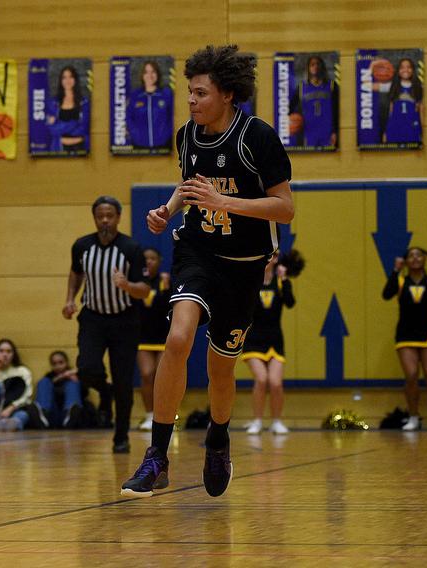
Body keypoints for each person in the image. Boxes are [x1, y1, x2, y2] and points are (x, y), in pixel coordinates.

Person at [121, 45, 294, 499]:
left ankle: (218, 439)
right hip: (196, 251)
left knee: (221, 368)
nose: (192, 101)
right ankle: (157, 455)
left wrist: (224, 202)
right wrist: (168, 207)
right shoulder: (187, 136)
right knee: (177, 339)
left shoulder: (257, 137)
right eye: (190, 92)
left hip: (243, 265)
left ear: (228, 94)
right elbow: (190, 185)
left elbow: (286, 208)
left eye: (200, 93)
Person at [64, 196, 149, 453]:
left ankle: (121, 436)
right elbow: (76, 273)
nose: (105, 220)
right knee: (87, 368)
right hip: (93, 318)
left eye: (109, 215)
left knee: (124, 381)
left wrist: (126, 285)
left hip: (124, 321)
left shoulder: (132, 249)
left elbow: (144, 290)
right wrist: (69, 299)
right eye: (100, 215)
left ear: (118, 217)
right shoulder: (82, 246)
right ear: (94, 217)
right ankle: (105, 391)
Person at [241, 250, 304, 435]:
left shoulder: (280, 282)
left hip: (275, 339)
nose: (271, 259)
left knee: (275, 383)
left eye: (274, 255)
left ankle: (276, 421)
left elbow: (291, 303)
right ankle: (257, 421)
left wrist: (284, 281)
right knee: (261, 379)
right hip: (253, 339)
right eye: (268, 255)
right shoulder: (252, 280)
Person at [382, 247, 427, 431]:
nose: (416, 258)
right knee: (411, 376)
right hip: (406, 334)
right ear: (406, 261)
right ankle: (413, 417)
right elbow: (386, 294)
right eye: (411, 255)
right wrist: (395, 270)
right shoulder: (401, 281)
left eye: (420, 255)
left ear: (425, 260)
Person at [136, 248, 171, 431]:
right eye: (146, 258)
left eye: (153, 258)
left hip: (163, 336)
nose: (149, 261)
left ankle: (165, 416)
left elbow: (170, 307)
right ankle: (150, 415)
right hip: (143, 336)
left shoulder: (166, 281)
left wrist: (167, 288)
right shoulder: (137, 282)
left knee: (162, 376)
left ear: (159, 260)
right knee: (147, 374)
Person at [290, 55, 338, 148]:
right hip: (309, 133)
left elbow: (337, 111)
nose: (315, 66)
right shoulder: (301, 88)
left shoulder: (331, 86)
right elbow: (289, 108)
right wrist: (295, 121)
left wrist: (335, 131)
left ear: (322, 67)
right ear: (308, 68)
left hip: (327, 132)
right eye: (312, 64)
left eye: (317, 64)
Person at [127, 60, 174, 151]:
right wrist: (135, 135)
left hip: (163, 145)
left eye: (153, 72)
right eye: (146, 72)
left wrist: (166, 134)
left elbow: (173, 117)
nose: (150, 75)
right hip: (139, 145)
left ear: (157, 74)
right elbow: (128, 117)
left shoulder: (166, 94)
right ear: (142, 75)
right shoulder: (135, 96)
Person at [34, 351, 83, 429]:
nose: (58, 366)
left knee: (72, 384)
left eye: (61, 362)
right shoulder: (49, 378)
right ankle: (43, 415)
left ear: (66, 362)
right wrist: (62, 376)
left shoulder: (75, 376)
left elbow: (84, 394)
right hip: (52, 413)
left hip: (70, 415)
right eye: (54, 364)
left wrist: (74, 377)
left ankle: (69, 416)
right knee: (44, 382)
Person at [47, 66, 89, 153]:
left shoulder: (84, 102)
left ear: (75, 79)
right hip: (59, 148)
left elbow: (85, 128)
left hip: (81, 148)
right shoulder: (54, 103)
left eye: (71, 77)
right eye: (64, 77)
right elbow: (51, 129)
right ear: (61, 81)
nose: (68, 80)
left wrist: (60, 126)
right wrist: (74, 123)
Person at [383, 58, 423, 144]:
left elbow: (421, 112)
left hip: (412, 129)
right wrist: (386, 132)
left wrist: (422, 132)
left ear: (413, 70)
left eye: (408, 67)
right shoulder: (393, 86)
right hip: (395, 129)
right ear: (398, 70)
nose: (406, 70)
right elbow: (390, 112)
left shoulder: (417, 87)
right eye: (402, 67)